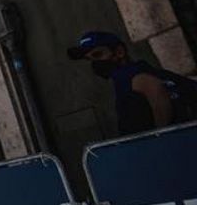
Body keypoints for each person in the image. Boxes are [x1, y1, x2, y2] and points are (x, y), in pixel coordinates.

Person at [66, 30, 197, 135]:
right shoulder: (155, 72)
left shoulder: (127, 75)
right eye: (89, 59)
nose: (95, 63)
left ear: (119, 52)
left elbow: (155, 90)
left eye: (98, 55)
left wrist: (160, 137)